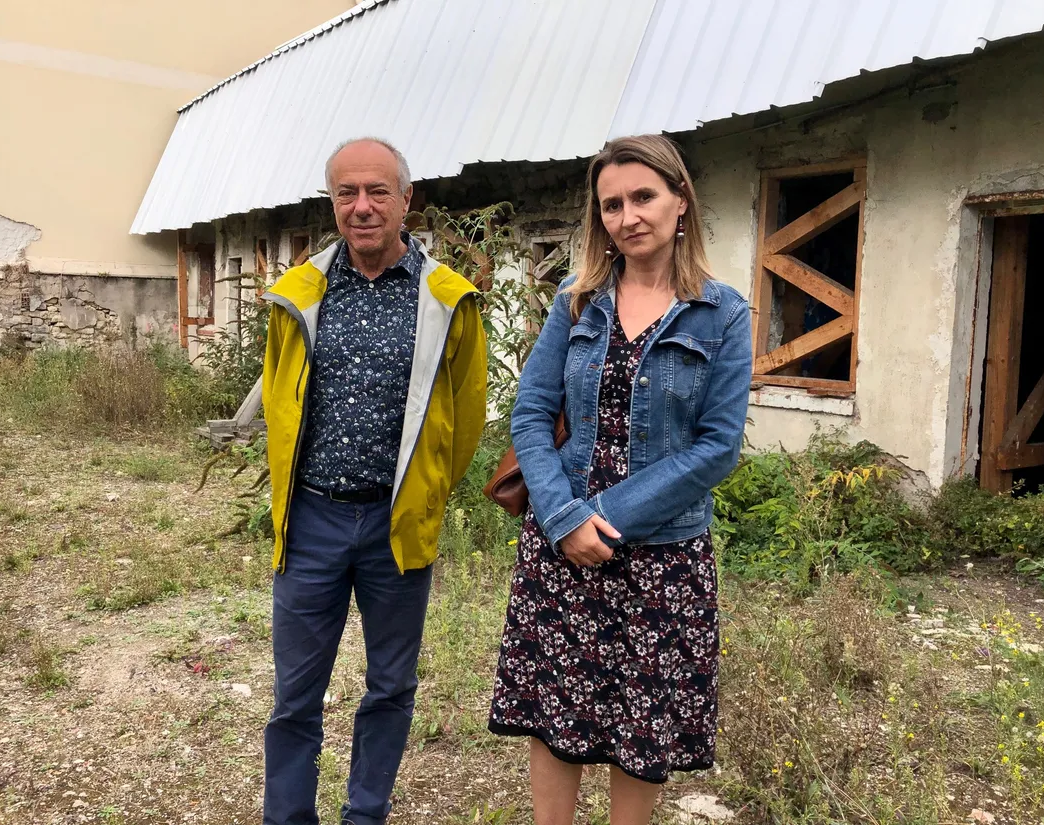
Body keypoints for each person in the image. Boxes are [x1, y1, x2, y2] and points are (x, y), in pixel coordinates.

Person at [488, 134, 751, 825]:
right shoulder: (576, 302)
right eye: (611, 204)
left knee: (644, 727)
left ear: (680, 200)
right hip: (562, 547)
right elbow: (531, 415)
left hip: (663, 556)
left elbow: (718, 447)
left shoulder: (722, 313)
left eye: (643, 196)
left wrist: (600, 515)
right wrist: (561, 518)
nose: (628, 216)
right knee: (556, 711)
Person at [260, 137, 487, 825]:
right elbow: (278, 399)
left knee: (390, 685)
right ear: (333, 203)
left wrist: (425, 496)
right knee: (296, 694)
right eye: (346, 194)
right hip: (312, 523)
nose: (361, 207)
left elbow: (468, 417)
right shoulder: (299, 293)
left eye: (377, 192)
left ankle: (366, 815)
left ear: (406, 200)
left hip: (395, 524)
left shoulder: (447, 299)